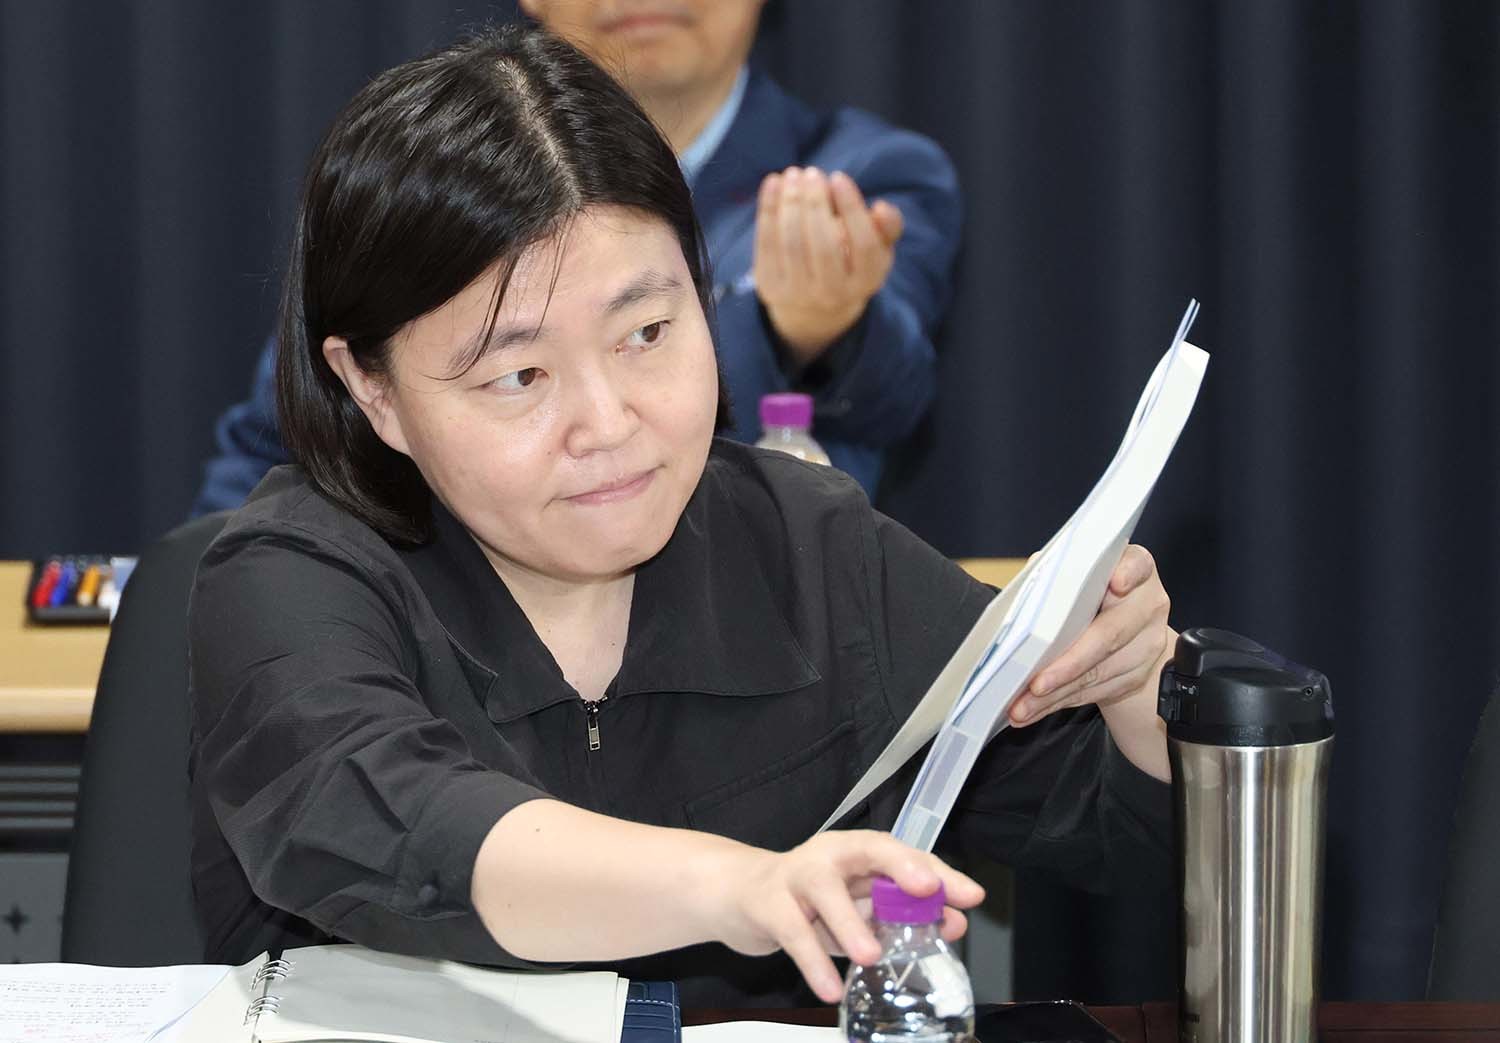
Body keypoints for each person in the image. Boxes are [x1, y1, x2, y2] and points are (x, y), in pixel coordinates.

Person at [188, 25, 1174, 1010]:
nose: (610, 423)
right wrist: (734, 886)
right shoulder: (292, 574)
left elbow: (1122, 824)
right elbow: (390, 811)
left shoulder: (810, 549)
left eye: (648, 332)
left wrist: (1139, 688)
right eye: (520, 375)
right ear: (372, 387)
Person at [189, 0, 960, 513]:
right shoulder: (424, 185)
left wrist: (824, 329)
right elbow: (278, 444)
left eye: (646, 331)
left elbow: (893, 395)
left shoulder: (863, 177)